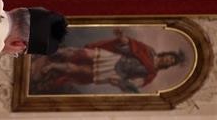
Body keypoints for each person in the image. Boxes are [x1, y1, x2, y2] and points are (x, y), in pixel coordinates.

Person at [35, 28, 184, 93]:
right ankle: (52, 51)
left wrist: (122, 83)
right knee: (83, 53)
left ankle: (53, 66)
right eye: (170, 58)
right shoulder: (150, 51)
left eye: (171, 62)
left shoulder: (152, 74)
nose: (168, 61)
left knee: (80, 70)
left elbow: (135, 83)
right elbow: (132, 47)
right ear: (167, 54)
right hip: (115, 59)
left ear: (168, 66)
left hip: (114, 73)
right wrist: (122, 37)